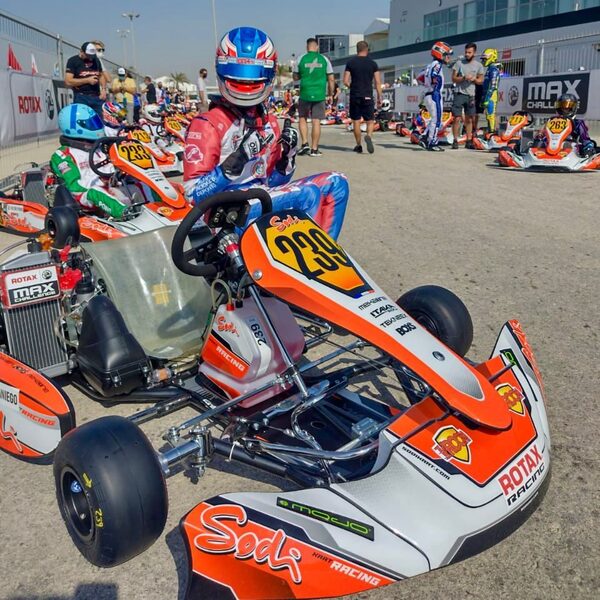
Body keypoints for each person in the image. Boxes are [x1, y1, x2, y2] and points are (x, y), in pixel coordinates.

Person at [184, 26, 349, 240]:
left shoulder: (269, 121)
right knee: (309, 195)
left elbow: (272, 182)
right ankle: (310, 269)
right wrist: (230, 168)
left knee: (337, 183)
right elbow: (192, 194)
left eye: (253, 80)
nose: (245, 85)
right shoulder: (207, 124)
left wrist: (286, 159)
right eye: (239, 79)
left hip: (260, 199)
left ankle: (327, 253)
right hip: (223, 212)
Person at [50, 104, 142, 218]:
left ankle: (158, 207)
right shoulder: (63, 155)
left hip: (109, 189)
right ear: (75, 126)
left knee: (138, 185)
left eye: (96, 123)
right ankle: (126, 214)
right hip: (85, 195)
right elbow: (75, 187)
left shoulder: (100, 147)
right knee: (96, 192)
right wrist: (101, 183)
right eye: (91, 124)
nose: (97, 127)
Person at [293, 38, 334, 157]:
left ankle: (305, 143)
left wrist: (302, 75)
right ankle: (314, 149)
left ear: (307, 47)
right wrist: (330, 94)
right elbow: (331, 79)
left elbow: (295, 77)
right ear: (317, 47)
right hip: (319, 94)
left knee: (302, 118)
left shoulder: (301, 58)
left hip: (305, 93)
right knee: (316, 121)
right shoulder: (324, 59)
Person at [343, 41, 382, 154]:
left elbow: (345, 81)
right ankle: (368, 136)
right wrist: (379, 96)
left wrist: (352, 86)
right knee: (370, 120)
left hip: (355, 94)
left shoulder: (351, 62)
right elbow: (378, 82)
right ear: (367, 49)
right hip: (368, 95)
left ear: (357, 50)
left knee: (356, 121)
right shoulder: (373, 63)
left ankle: (358, 145)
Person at [416, 41, 453, 151]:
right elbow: (434, 76)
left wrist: (427, 85)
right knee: (437, 120)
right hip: (434, 94)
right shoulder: (437, 65)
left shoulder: (430, 65)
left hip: (429, 93)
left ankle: (424, 138)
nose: (448, 58)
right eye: (447, 55)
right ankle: (432, 142)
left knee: (433, 119)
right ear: (440, 54)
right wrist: (434, 86)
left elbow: (419, 77)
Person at [451, 43, 484, 149]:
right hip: (459, 93)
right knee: (456, 118)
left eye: (469, 52)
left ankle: (469, 140)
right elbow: (453, 78)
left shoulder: (479, 66)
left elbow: (481, 80)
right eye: (466, 52)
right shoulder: (459, 63)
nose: (467, 54)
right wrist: (464, 78)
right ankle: (455, 140)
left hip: (471, 95)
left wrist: (474, 79)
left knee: (469, 119)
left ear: (474, 53)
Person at [64, 42, 108, 115]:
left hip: (97, 97)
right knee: (84, 121)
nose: (90, 58)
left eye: (92, 55)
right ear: (82, 52)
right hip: (81, 97)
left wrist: (103, 89)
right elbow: (68, 81)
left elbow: (101, 76)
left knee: (99, 122)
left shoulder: (96, 60)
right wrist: (87, 80)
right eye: (88, 55)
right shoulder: (73, 61)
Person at [480, 48, 502, 135]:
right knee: (488, 115)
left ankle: (492, 133)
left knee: (491, 114)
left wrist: (487, 97)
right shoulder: (489, 69)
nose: (483, 61)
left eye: (485, 58)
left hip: (492, 95)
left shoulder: (493, 70)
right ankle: (490, 132)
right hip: (487, 95)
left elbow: (493, 86)